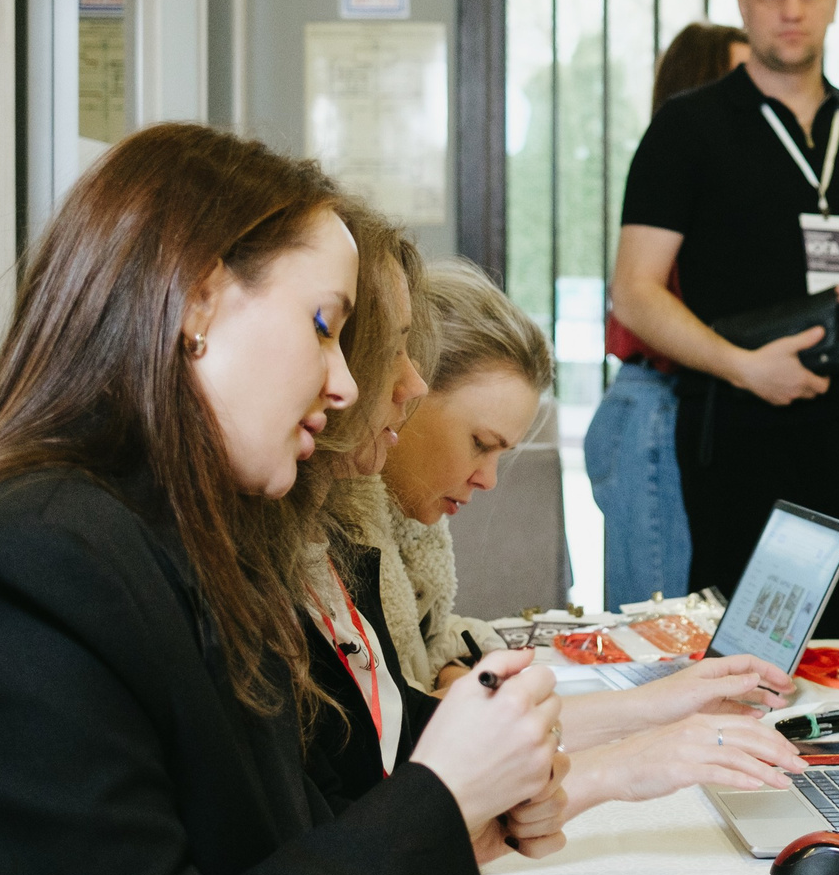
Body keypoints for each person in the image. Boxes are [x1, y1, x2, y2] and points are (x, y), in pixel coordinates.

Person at [0, 124, 564, 875]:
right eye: (324, 326)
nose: (345, 383)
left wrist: (467, 817)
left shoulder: (177, 553)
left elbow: (284, 862)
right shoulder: (18, 577)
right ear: (197, 305)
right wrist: (444, 796)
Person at [315, 254, 806, 821]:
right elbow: (406, 750)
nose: (489, 479)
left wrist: (656, 708)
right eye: (480, 442)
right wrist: (630, 749)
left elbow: (426, 689)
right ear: (409, 391)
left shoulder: (394, 529)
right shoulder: (338, 541)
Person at [610, 0, 839, 639]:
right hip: (737, 434)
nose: (791, 8)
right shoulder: (686, 128)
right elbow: (633, 290)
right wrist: (744, 367)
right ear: (745, 5)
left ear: (833, 2)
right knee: (747, 654)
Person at [590, 21, 749, 606]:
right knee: (659, 628)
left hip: (647, 406)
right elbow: (639, 298)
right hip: (653, 408)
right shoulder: (681, 175)